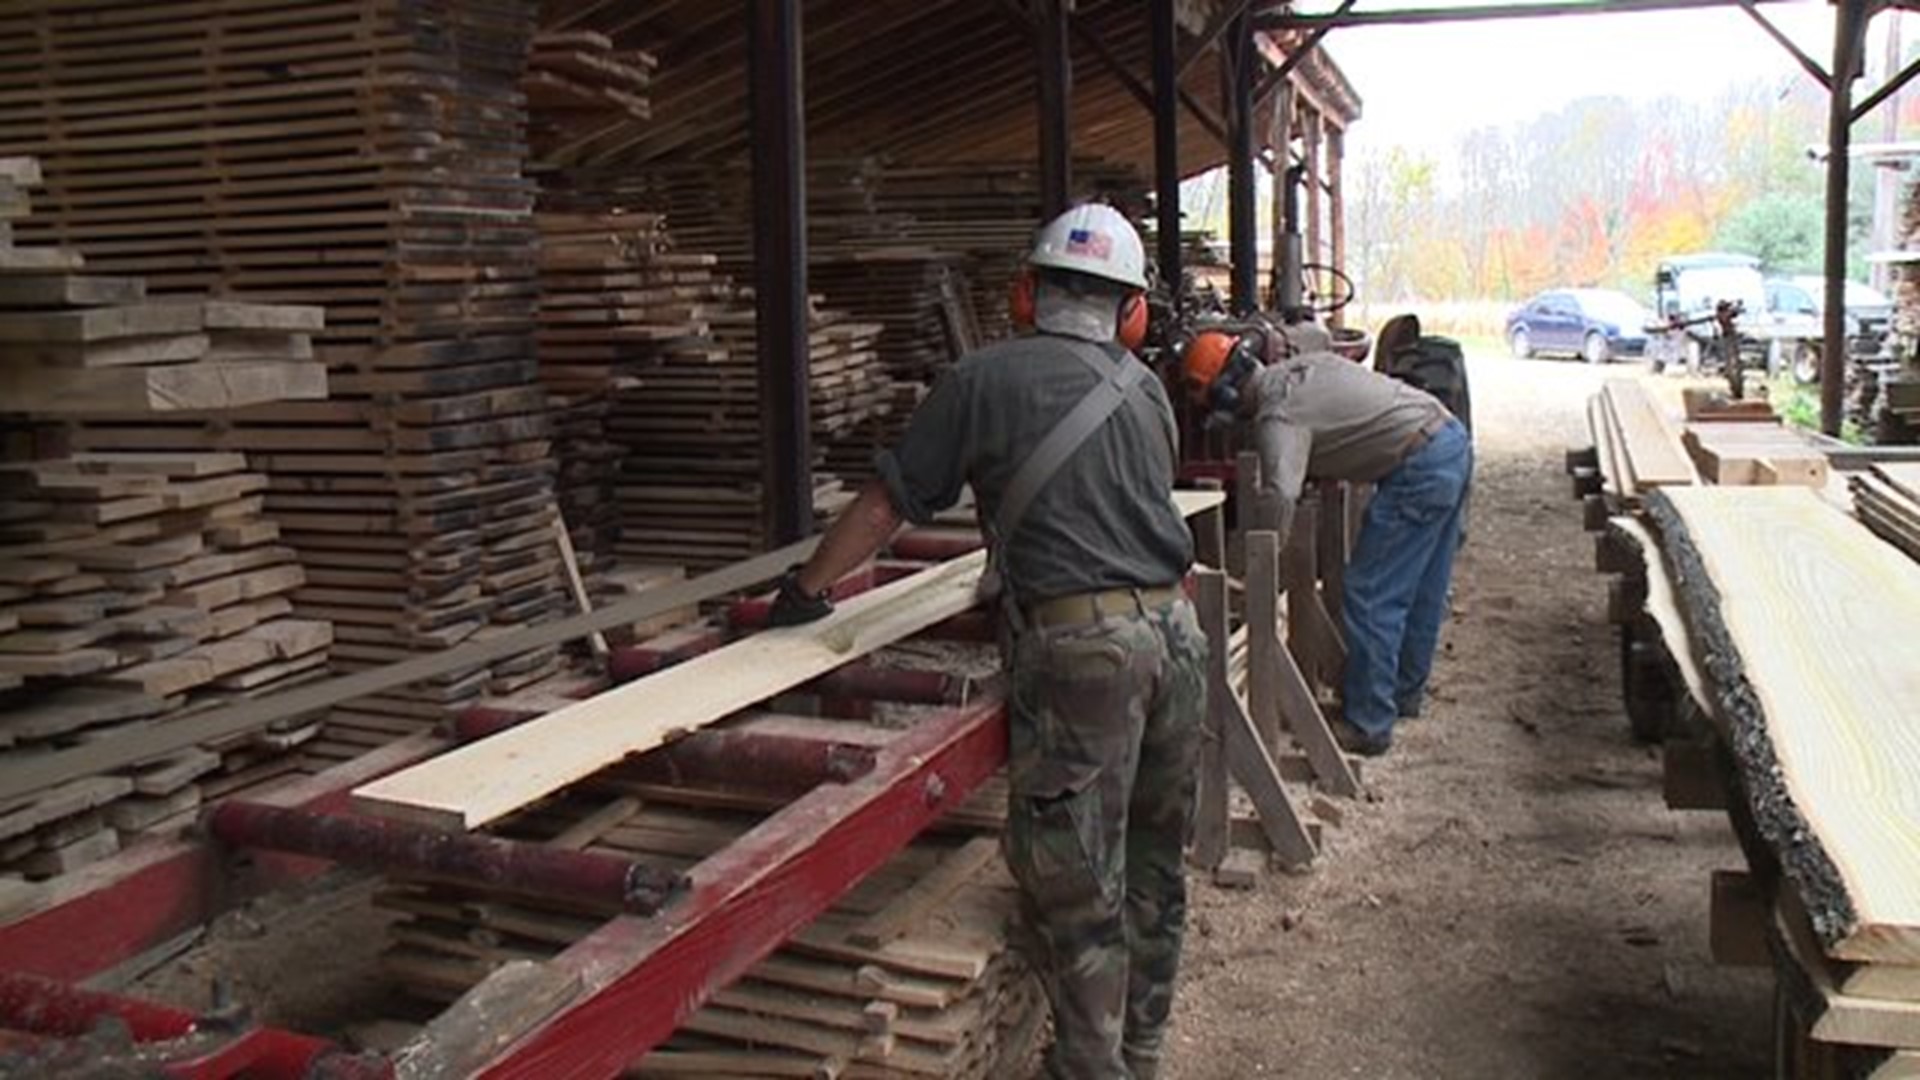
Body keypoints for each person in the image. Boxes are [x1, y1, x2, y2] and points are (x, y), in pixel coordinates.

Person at [768, 204, 1207, 1080]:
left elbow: (890, 505)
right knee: (1155, 864)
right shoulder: (1147, 388)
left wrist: (805, 593)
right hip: (1177, 636)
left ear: (1024, 294)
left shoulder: (980, 380)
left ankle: (1090, 1071)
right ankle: (1142, 1052)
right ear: (1134, 313)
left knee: (1076, 878)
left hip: (1086, 655)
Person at [1183, 322, 1472, 756]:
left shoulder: (1276, 415)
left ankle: (1370, 723)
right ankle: (1403, 695)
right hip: (1449, 439)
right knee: (1421, 586)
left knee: (1371, 593)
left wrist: (1251, 568)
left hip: (1417, 467)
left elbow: (1281, 496)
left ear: (1225, 397)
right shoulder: (1303, 367)